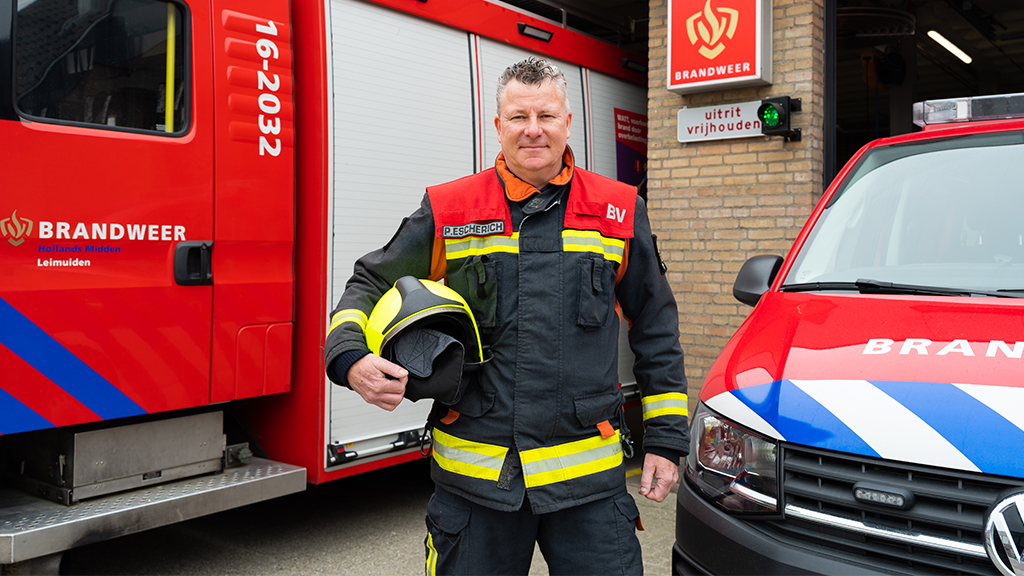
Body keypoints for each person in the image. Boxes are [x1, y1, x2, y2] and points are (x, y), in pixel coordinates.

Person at [324, 57, 689, 575]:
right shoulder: (451, 208)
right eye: (519, 117)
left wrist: (667, 441)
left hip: (588, 487)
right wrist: (350, 357)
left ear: (568, 122)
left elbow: (655, 327)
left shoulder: (619, 209)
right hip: (476, 486)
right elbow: (370, 281)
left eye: (546, 115)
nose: (533, 129)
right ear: (498, 127)